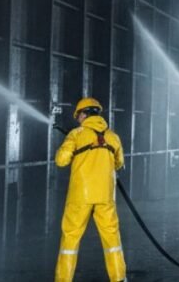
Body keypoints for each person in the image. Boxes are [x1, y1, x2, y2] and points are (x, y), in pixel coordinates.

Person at [54, 97, 126, 282]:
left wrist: (69, 145)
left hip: (80, 197)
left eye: (79, 116)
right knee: (112, 241)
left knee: (70, 240)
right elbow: (119, 164)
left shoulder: (76, 134)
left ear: (84, 114)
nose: (78, 119)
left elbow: (61, 161)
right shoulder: (113, 136)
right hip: (105, 196)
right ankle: (119, 278)